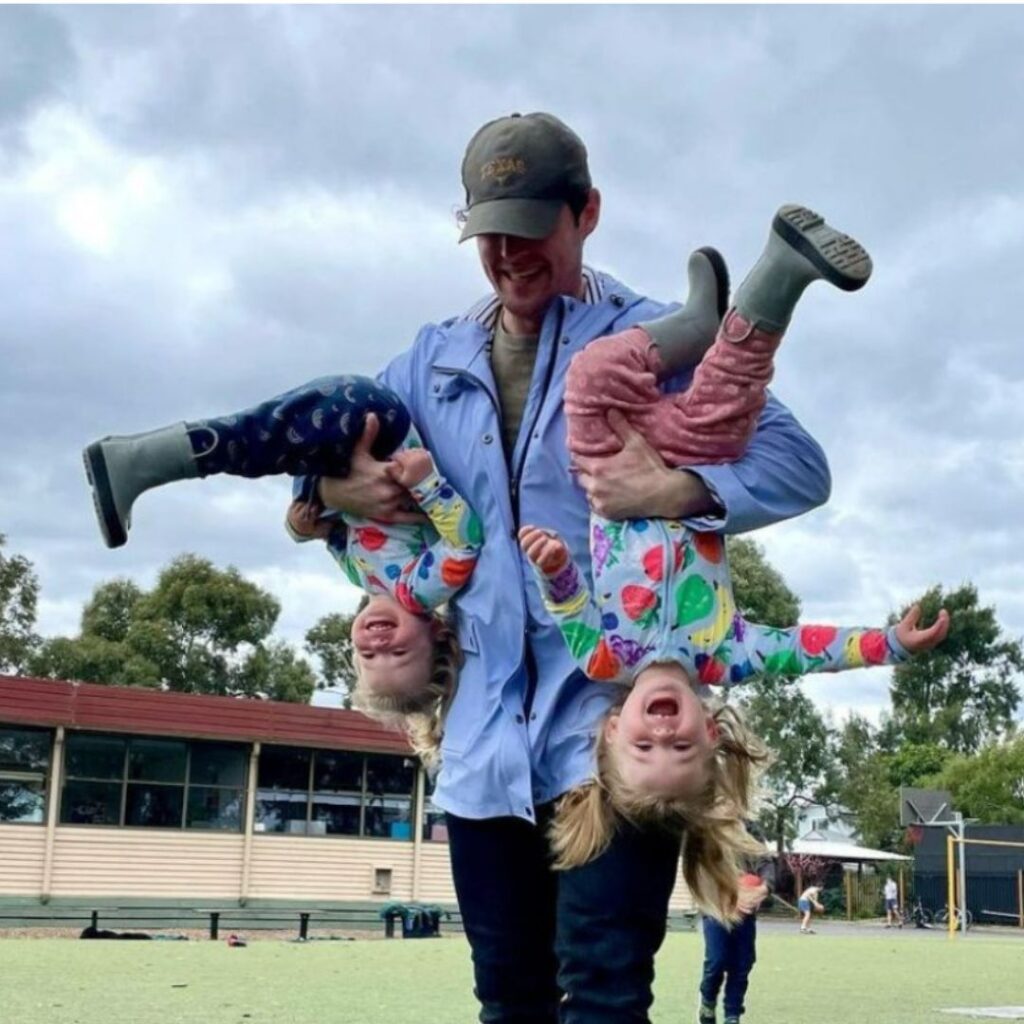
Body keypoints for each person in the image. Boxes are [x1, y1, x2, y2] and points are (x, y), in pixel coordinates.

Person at [310, 110, 833, 1024]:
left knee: (603, 990)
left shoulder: (653, 336)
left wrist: (674, 488)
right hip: (478, 750)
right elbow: (354, 487)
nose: (509, 256)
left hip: (606, 736)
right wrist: (329, 499)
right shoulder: (424, 363)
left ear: (586, 212)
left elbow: (800, 467)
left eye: (530, 230)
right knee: (507, 997)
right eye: (489, 236)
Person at [517, 203, 950, 918]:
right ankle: (781, 268)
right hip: (689, 461)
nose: (662, 735)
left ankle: (692, 325)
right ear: (710, 734)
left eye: (643, 749)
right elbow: (808, 650)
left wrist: (554, 563)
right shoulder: (726, 653)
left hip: (610, 459)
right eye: (680, 752)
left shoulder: (605, 659)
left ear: (612, 731)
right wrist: (892, 645)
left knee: (589, 377)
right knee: (725, 400)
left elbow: (566, 601)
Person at [81, 376, 482, 757]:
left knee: (263, 443)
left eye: (370, 660)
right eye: (399, 654)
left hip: (346, 443)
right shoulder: (421, 589)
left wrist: (302, 527)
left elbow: (333, 533)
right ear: (435, 632)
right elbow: (465, 541)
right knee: (257, 440)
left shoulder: (363, 578)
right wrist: (428, 485)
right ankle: (141, 461)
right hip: (379, 424)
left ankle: (135, 456)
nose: (378, 647)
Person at [698, 867, 772, 1024]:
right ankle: (708, 1001)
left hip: (745, 915)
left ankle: (732, 1015)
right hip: (716, 910)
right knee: (716, 960)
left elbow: (768, 867)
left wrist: (763, 888)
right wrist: (730, 895)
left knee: (742, 964)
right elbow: (702, 873)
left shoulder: (753, 845)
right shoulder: (711, 844)